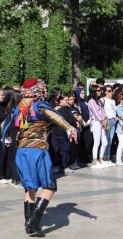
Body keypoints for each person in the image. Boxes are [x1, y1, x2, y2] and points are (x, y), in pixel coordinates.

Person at [1, 78, 77, 237]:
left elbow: (4, 126)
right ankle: (34, 221)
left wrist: (7, 138)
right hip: (37, 151)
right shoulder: (40, 106)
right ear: (38, 90)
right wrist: (70, 129)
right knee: (50, 186)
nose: (44, 91)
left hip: (21, 152)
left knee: (31, 188)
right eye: (42, 89)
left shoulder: (18, 108)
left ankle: (29, 225)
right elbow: (56, 117)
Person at [88, 85, 108, 169]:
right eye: (98, 90)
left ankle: (101, 159)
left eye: (100, 90)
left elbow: (103, 111)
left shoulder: (99, 101)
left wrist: (105, 119)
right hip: (96, 122)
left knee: (105, 142)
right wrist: (102, 120)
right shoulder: (91, 101)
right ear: (94, 91)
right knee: (97, 142)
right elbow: (96, 113)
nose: (100, 92)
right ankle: (95, 161)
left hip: (102, 122)